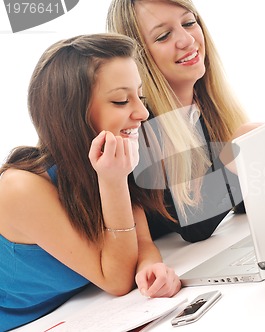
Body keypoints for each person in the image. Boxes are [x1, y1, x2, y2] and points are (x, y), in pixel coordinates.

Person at [0, 33, 181, 331]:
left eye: (140, 96)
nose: (142, 113)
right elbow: (116, 280)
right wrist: (113, 181)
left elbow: (141, 241)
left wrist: (151, 267)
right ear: (71, 114)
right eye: (121, 100)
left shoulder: (106, 159)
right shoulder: (19, 188)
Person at [106, 0, 262, 243]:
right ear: (136, 60)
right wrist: (234, 161)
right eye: (164, 36)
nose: (187, 40)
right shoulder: (139, 125)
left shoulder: (207, 108)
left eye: (189, 23)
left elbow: (238, 204)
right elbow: (192, 226)